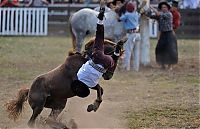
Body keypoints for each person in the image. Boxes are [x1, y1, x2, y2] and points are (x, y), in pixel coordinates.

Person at [71, 4, 124, 98]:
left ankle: (116, 52)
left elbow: (102, 78)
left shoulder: (91, 85)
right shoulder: (79, 75)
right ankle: (100, 21)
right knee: (99, 37)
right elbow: (84, 63)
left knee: (111, 69)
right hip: (96, 57)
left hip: (106, 63)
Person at [147, 1, 178, 70]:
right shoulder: (162, 14)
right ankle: (162, 64)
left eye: (165, 7)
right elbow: (154, 16)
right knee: (160, 49)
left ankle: (170, 65)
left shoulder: (168, 14)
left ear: (167, 8)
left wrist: (152, 8)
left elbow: (158, 14)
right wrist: (147, 14)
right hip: (163, 34)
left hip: (169, 34)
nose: (163, 8)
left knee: (170, 50)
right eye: (162, 7)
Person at [118, 2, 141, 71]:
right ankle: (136, 68)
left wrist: (117, 12)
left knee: (128, 51)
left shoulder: (127, 14)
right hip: (137, 34)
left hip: (131, 34)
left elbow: (119, 19)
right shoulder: (136, 14)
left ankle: (126, 68)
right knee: (136, 52)